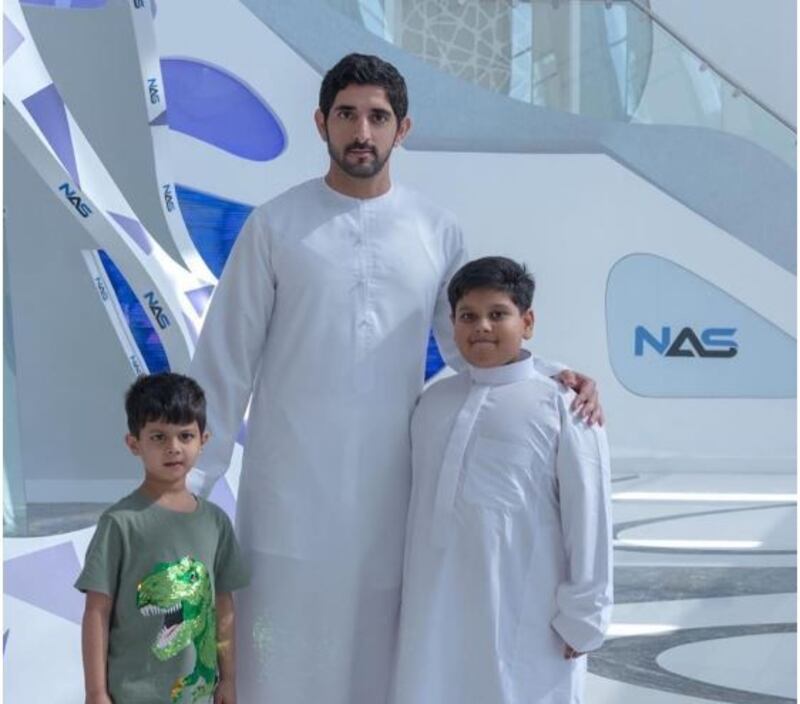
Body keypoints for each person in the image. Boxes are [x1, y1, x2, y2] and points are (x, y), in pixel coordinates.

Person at [188, 53, 603, 704]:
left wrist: (552, 378)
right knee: (282, 663)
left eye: (378, 117)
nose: (362, 132)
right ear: (321, 122)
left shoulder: (436, 230)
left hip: (395, 499)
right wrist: (187, 485)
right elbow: (224, 361)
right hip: (289, 496)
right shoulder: (275, 226)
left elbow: (475, 349)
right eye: (348, 115)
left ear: (402, 129)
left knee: (385, 671)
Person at [390, 256, 613, 704]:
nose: (482, 327)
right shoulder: (433, 403)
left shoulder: (564, 406)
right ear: (452, 325)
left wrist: (585, 616)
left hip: (525, 612)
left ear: (527, 322)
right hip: (433, 610)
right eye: (468, 316)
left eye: (498, 314)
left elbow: (590, 516)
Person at [75, 373, 249, 704]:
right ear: (134, 444)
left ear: (203, 440)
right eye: (158, 437)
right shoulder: (119, 524)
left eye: (185, 435)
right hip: (131, 694)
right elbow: (96, 611)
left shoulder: (216, 523)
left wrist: (228, 679)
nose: (173, 448)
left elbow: (223, 606)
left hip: (198, 694)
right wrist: (95, 691)